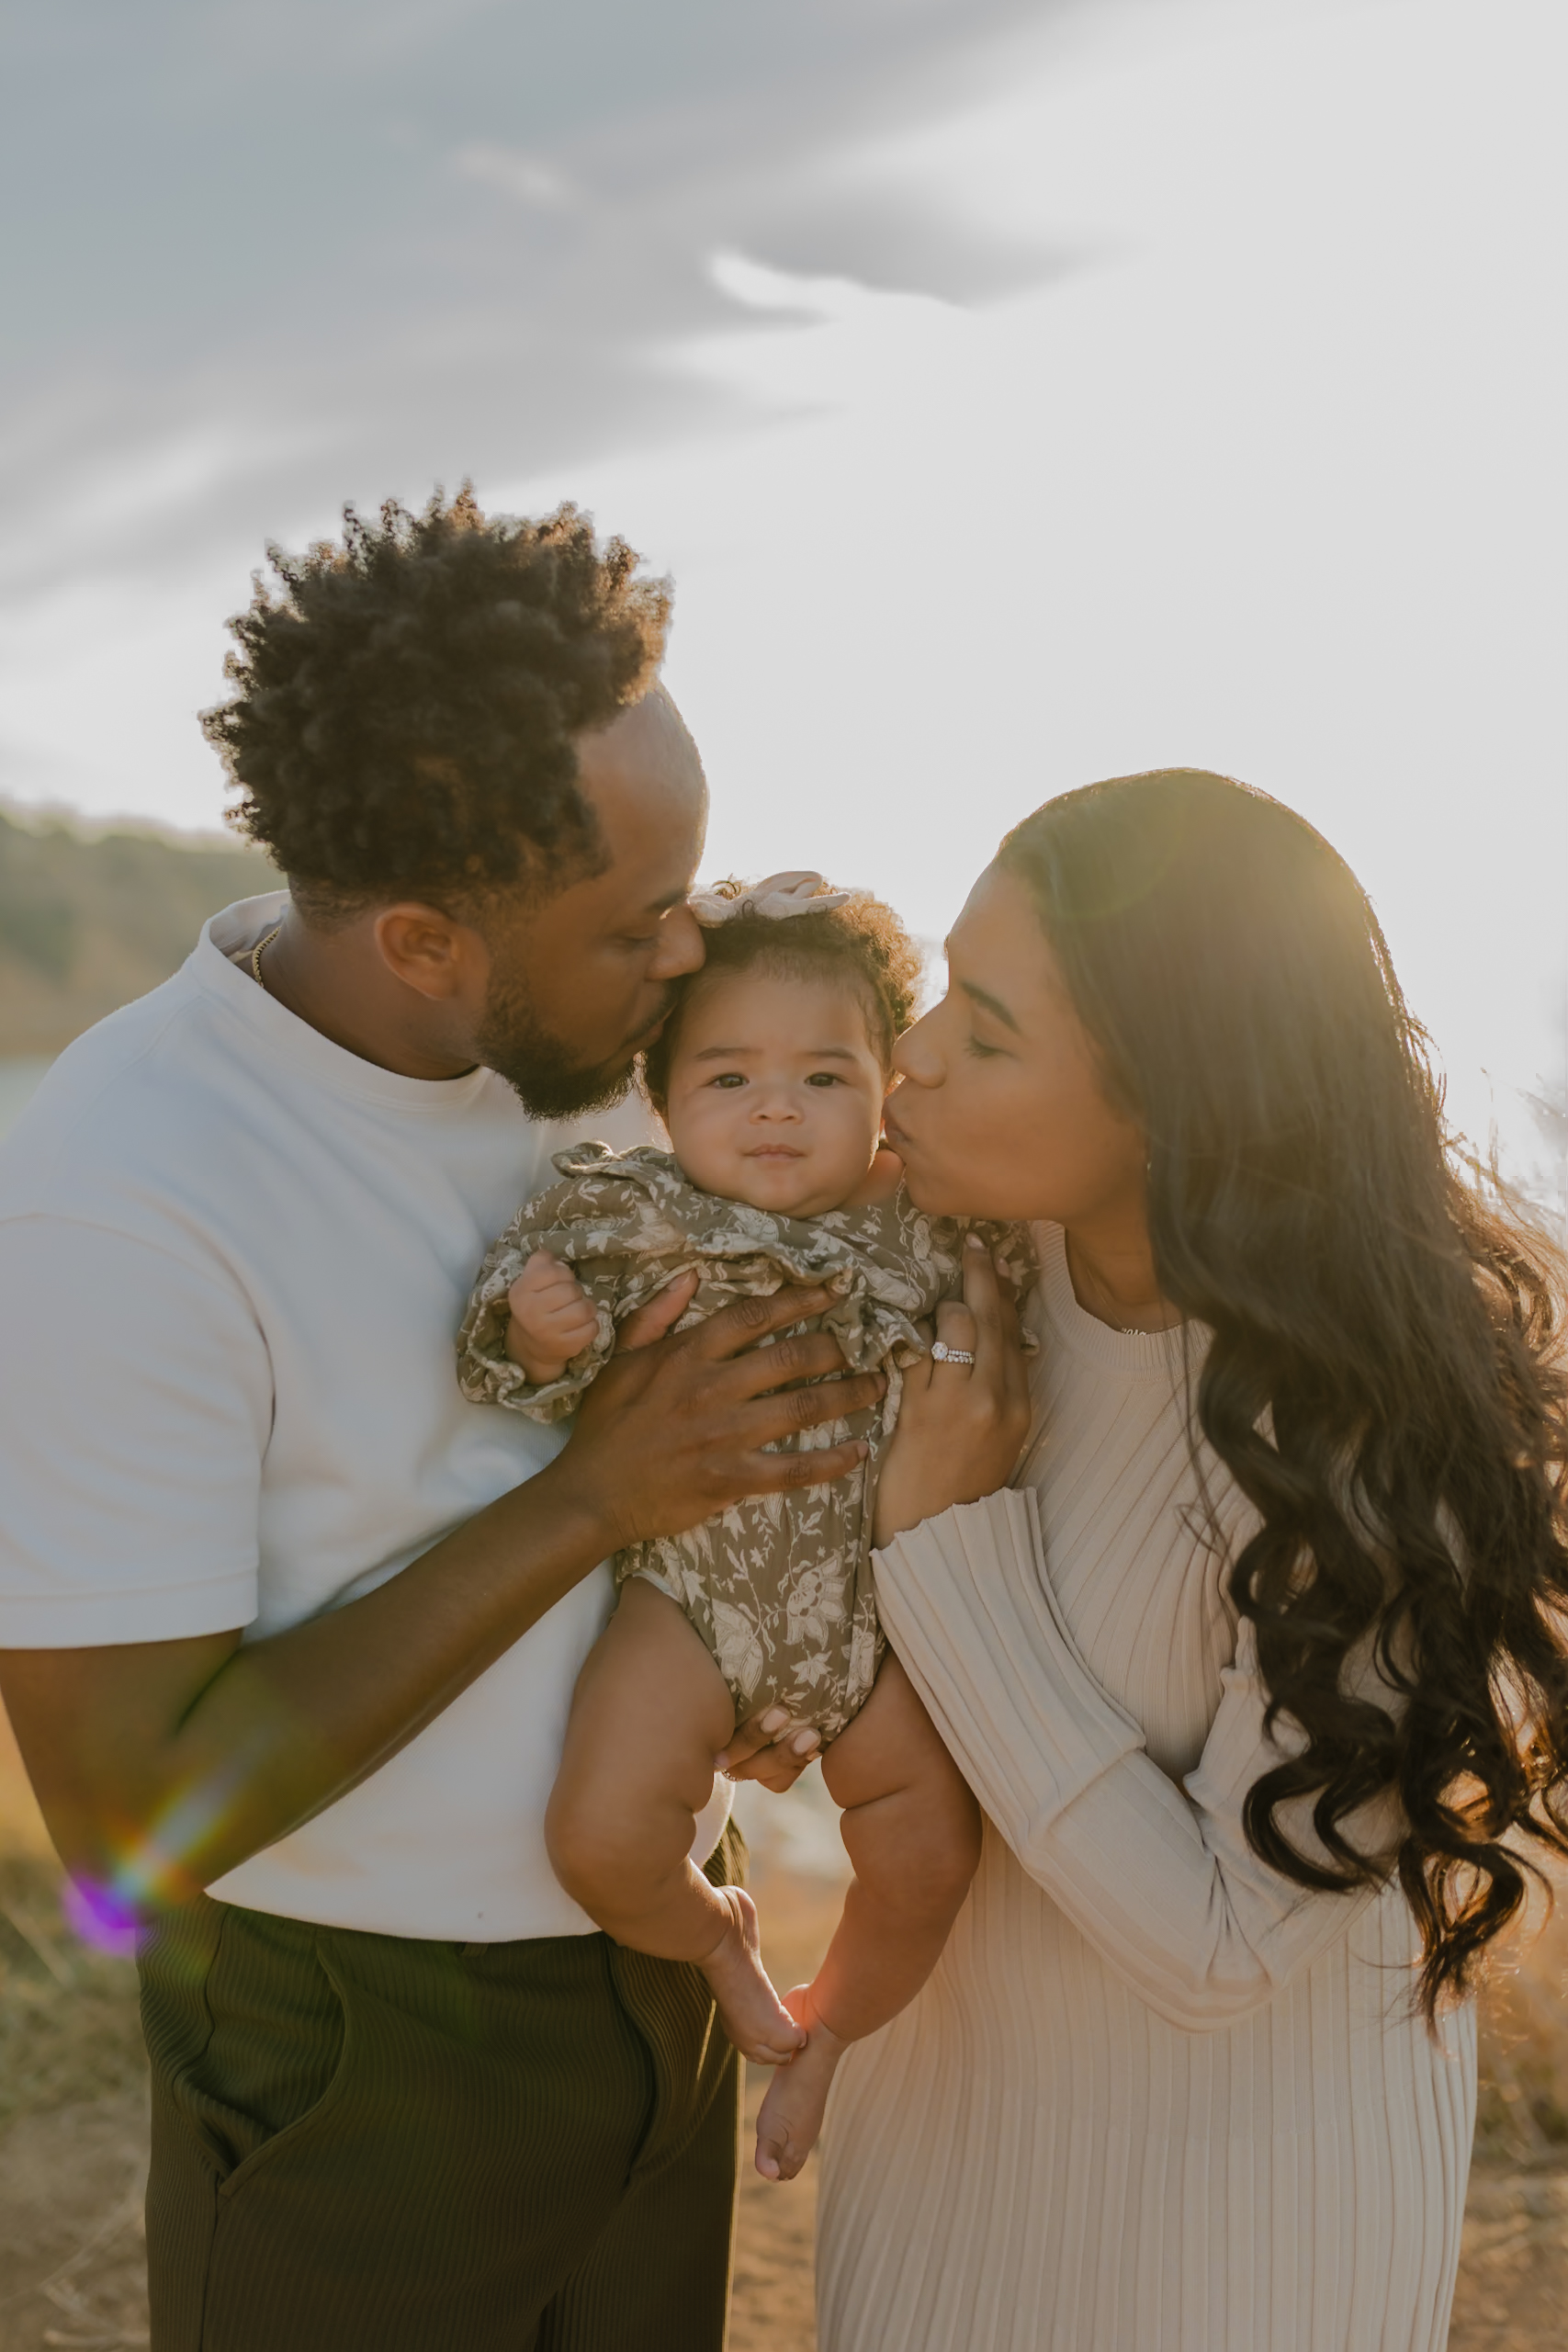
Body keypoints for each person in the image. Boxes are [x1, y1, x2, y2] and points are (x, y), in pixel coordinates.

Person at [0, 491, 886, 2352]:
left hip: (652, 1959)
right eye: (642, 924)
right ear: (421, 936)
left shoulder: (576, 1046)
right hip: (355, 2057)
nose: (689, 960)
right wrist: (587, 1497)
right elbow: (117, 1810)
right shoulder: (121, 1184)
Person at [792, 770, 1568, 2352]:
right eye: (940, 988)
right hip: (940, 2157)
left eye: (989, 1032)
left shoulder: (1366, 1431)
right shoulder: (965, 1283)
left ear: (1180, 1102)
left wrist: (946, 1544)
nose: (914, 1055)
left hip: (1243, 2238)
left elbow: (1220, 1948)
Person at [464, 876, 1031, 2180]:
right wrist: (535, 1324)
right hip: (692, 1603)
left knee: (929, 1851)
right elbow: (509, 1342)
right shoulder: (631, 1213)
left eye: (824, 1077)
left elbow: (1018, 1318)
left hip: (873, 1615)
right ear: (662, 1101)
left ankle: (830, 2031)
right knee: (602, 1837)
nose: (776, 1106)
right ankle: (722, 1940)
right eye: (727, 1078)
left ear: (887, 1085)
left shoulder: (929, 1220)